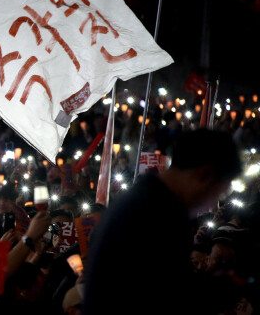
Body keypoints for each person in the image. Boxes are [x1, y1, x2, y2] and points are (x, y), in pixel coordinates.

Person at [83, 129, 243, 314]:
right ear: (204, 175)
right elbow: (162, 297)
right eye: (218, 193)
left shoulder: (144, 198)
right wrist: (222, 290)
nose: (212, 203)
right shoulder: (157, 214)